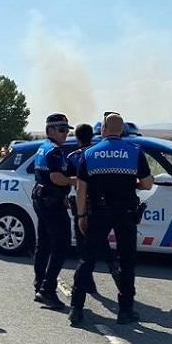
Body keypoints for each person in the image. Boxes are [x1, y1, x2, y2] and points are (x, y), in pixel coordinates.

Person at [70, 112, 153, 325]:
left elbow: (81, 189)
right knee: (127, 262)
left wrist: (81, 215)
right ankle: (125, 310)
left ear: (103, 130)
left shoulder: (89, 154)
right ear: (123, 130)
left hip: (98, 212)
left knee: (87, 259)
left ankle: (76, 309)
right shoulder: (135, 153)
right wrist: (130, 183)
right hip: (125, 213)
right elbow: (147, 184)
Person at [31, 113, 75, 309]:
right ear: (50, 130)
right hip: (51, 201)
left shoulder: (43, 147)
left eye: (67, 129)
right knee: (62, 243)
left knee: (44, 243)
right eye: (62, 129)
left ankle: (40, 282)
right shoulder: (55, 151)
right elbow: (57, 177)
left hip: (43, 199)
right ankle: (47, 289)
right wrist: (73, 181)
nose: (66, 133)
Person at [67, 123, 94, 257]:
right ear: (92, 136)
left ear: (77, 138)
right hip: (98, 201)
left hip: (79, 202)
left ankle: (84, 265)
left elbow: (68, 180)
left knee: (81, 240)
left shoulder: (72, 157)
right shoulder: (97, 154)